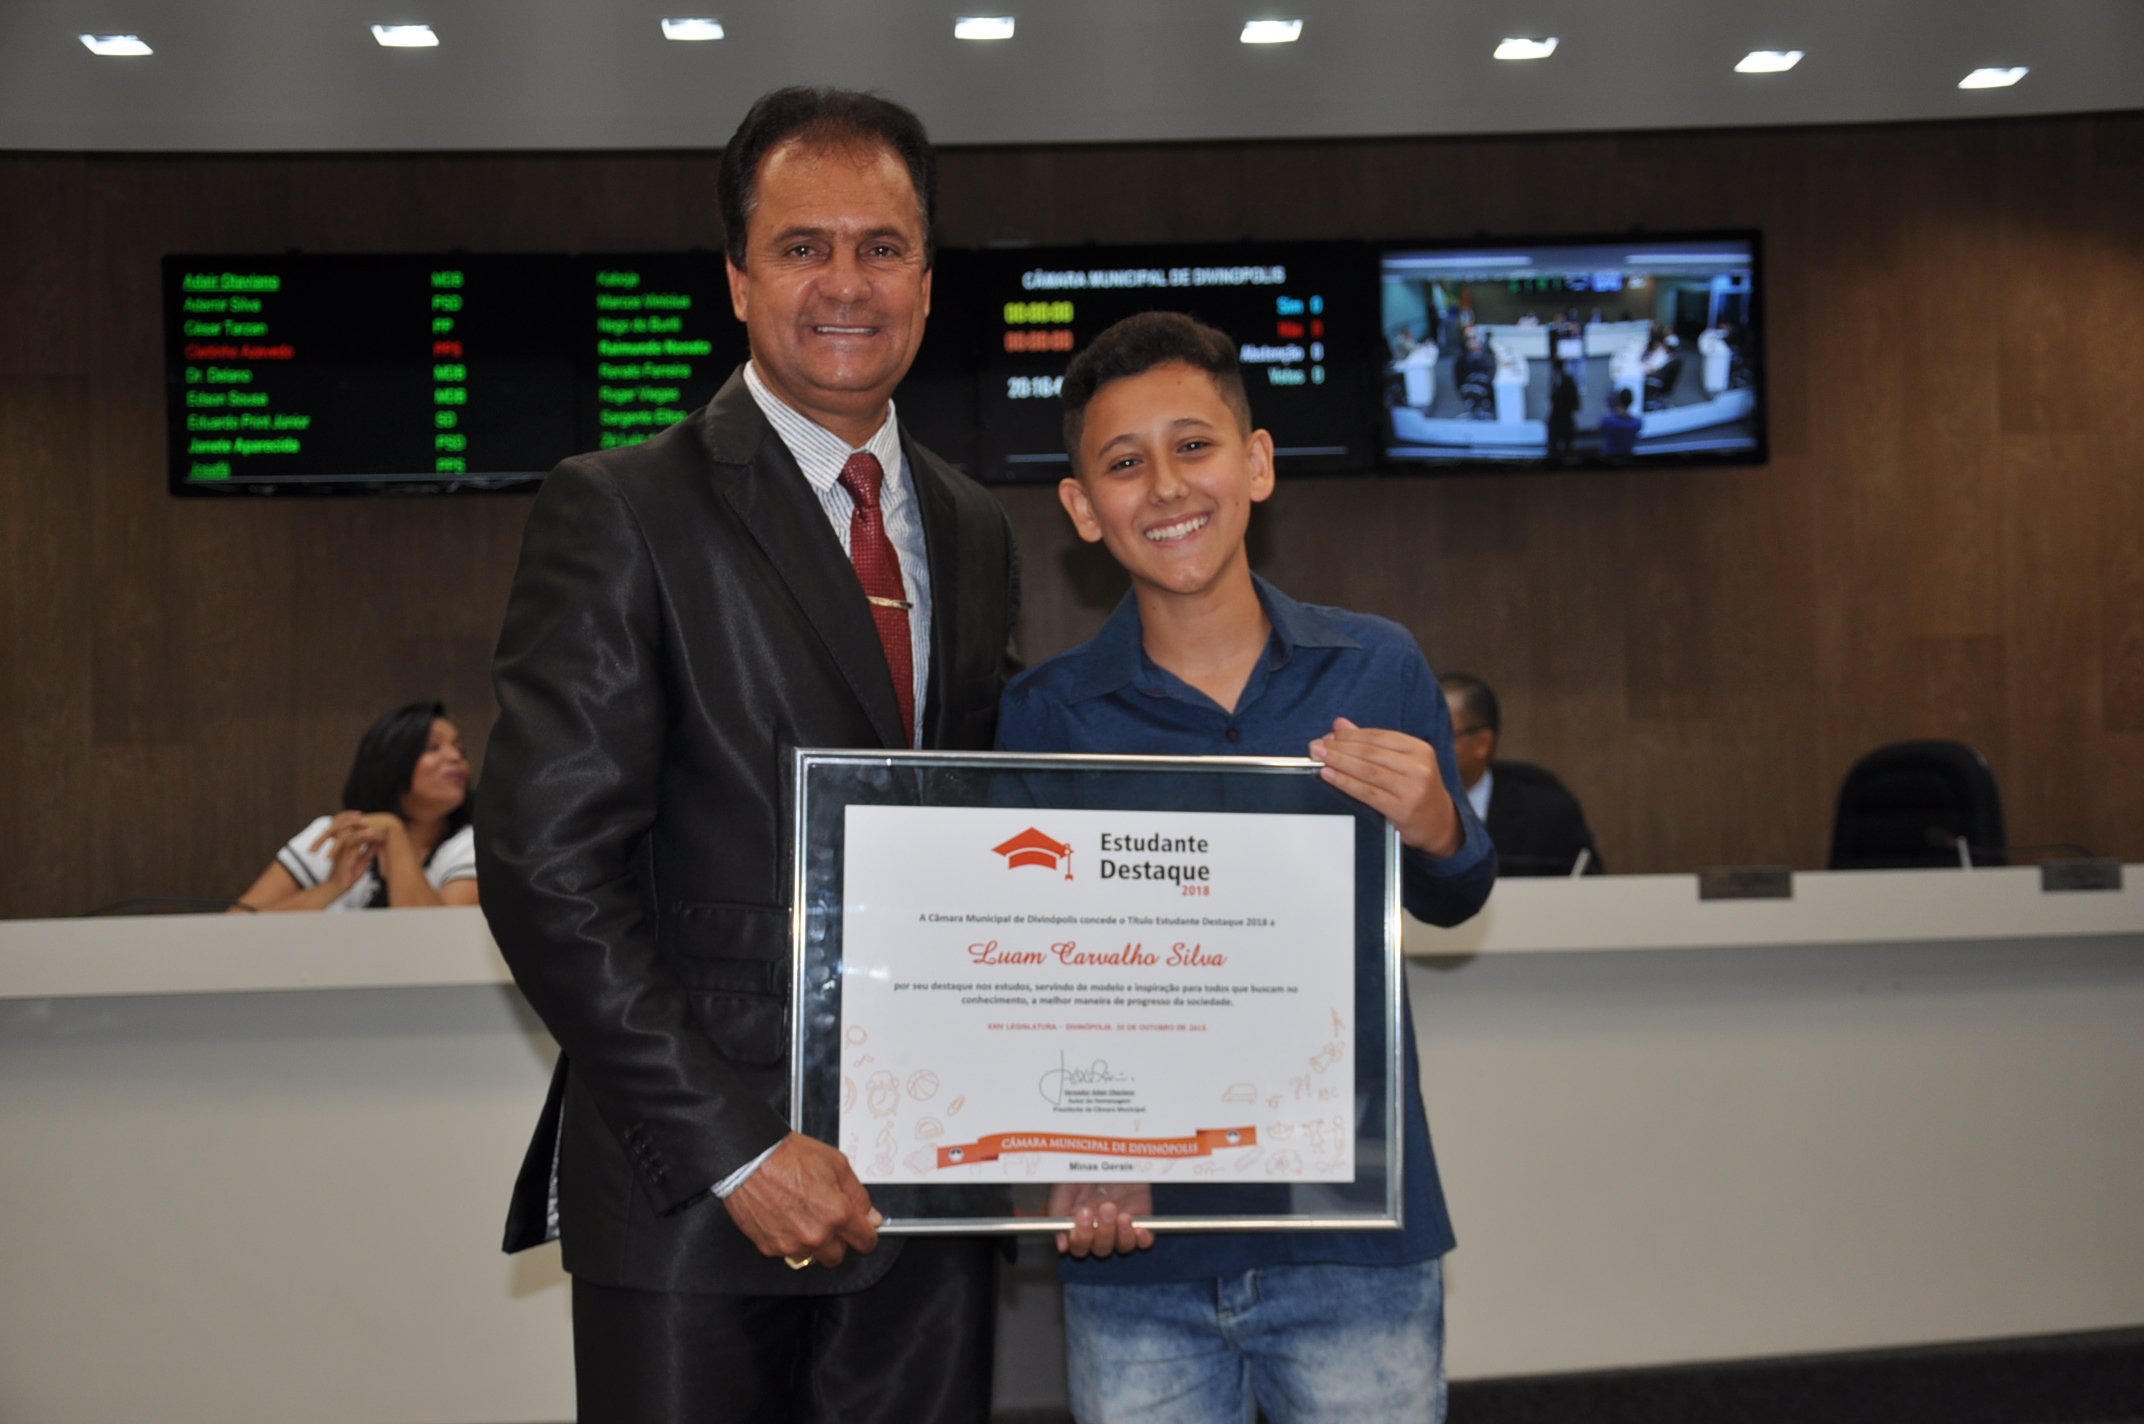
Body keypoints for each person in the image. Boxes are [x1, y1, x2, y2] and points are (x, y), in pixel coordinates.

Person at [476, 88, 1021, 1424]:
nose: (846, 282)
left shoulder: (975, 526)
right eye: (801, 247)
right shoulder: (621, 507)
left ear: (928, 279)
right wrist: (736, 1149)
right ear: (736, 279)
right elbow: (547, 870)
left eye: (882, 247)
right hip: (698, 1202)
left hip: (923, 1198)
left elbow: (987, 846)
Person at [995, 312, 1494, 1424]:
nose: (1166, 486)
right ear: (1082, 508)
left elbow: (1454, 899)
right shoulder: (1044, 716)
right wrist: (1071, 1146)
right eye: (1124, 463)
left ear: (1257, 463)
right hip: (1140, 1252)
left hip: (1352, 1235)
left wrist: (1436, 825)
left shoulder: (1375, 666)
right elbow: (1029, 978)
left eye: (1194, 445)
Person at [235, 700, 477, 911]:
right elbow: (237, 925)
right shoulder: (334, 835)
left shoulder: (473, 846)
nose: (455, 757)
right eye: (433, 747)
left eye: (460, 749)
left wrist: (394, 834)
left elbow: (438, 940)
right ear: (390, 761)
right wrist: (332, 887)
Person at [1440, 673, 1603, 877]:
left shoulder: (1546, 815)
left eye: (1441, 734)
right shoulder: (1405, 811)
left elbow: (1590, 889)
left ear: (1482, 743)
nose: (1426, 744)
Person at [1546, 355, 1580, 461]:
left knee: (1567, 446)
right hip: (1557, 416)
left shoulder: (1567, 379)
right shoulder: (1554, 378)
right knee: (1553, 446)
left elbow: (1573, 397)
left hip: (1565, 416)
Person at [1598, 386, 1642, 458]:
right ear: (1631, 401)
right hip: (1627, 458)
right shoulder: (1637, 423)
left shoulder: (1608, 420)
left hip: (1608, 458)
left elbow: (1600, 431)